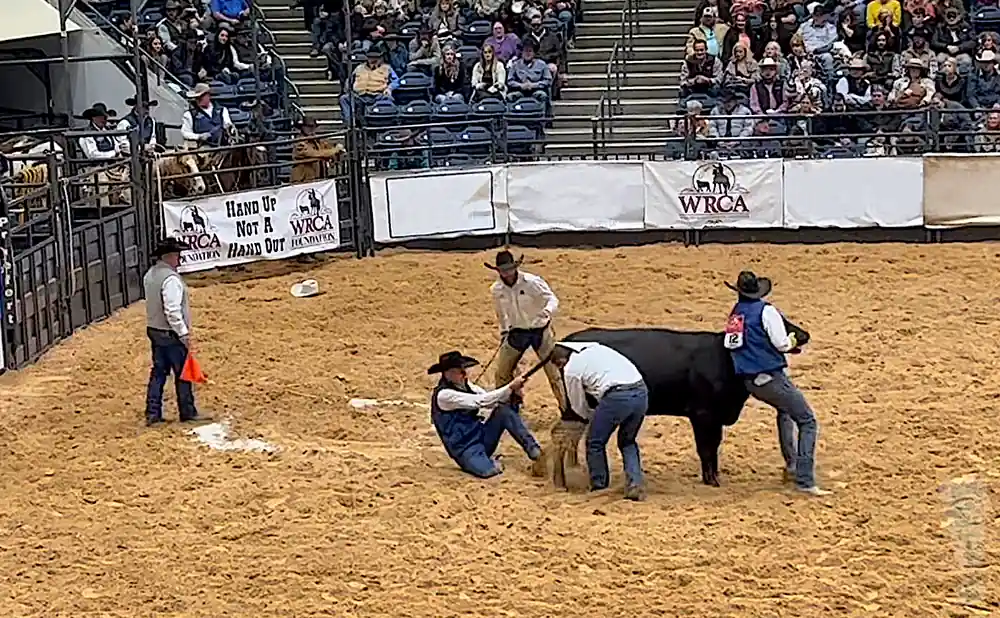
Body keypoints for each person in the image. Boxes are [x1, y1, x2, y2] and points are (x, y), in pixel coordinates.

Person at [722, 271, 830, 497]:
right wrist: (793, 341)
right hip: (770, 376)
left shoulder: (736, 313)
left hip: (748, 379)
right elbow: (781, 344)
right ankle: (804, 480)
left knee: (785, 411)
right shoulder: (767, 311)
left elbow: (730, 343)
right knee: (807, 420)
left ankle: (792, 466)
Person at [548, 341, 648, 501]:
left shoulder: (571, 371)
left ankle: (599, 485)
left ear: (561, 362)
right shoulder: (595, 349)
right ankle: (635, 483)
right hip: (641, 392)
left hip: (617, 396)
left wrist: (590, 417)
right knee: (628, 442)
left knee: (595, 442)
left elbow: (577, 405)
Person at [428, 350, 543, 479]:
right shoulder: (444, 395)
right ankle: (490, 462)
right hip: (465, 449)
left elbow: (490, 401)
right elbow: (480, 401)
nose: (464, 374)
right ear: (448, 373)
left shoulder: (466, 385)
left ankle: (534, 450)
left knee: (503, 411)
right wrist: (510, 387)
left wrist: (512, 394)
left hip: (481, 436)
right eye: (460, 371)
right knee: (489, 472)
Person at [488, 250, 564, 406]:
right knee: (502, 373)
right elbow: (501, 313)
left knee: (554, 373)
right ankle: (507, 406)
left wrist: (547, 311)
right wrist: (503, 331)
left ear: (515, 267)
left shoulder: (532, 282)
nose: (507, 273)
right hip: (516, 332)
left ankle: (566, 408)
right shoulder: (496, 289)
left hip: (540, 331)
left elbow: (552, 299)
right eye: (503, 270)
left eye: (509, 269)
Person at [144, 237, 205, 426]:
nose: (179, 259)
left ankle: (153, 412)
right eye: (177, 255)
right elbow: (172, 310)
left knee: (159, 372)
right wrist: (183, 333)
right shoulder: (171, 279)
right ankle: (187, 411)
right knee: (182, 373)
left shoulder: (151, 274)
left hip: (154, 329)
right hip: (170, 333)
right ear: (169, 256)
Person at [181, 82, 238, 148]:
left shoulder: (222, 110)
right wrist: (199, 136)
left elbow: (227, 124)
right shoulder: (189, 114)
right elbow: (185, 133)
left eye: (201, 96)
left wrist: (229, 129)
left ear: (208, 95)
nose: (198, 99)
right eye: (197, 97)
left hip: (223, 146)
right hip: (203, 147)